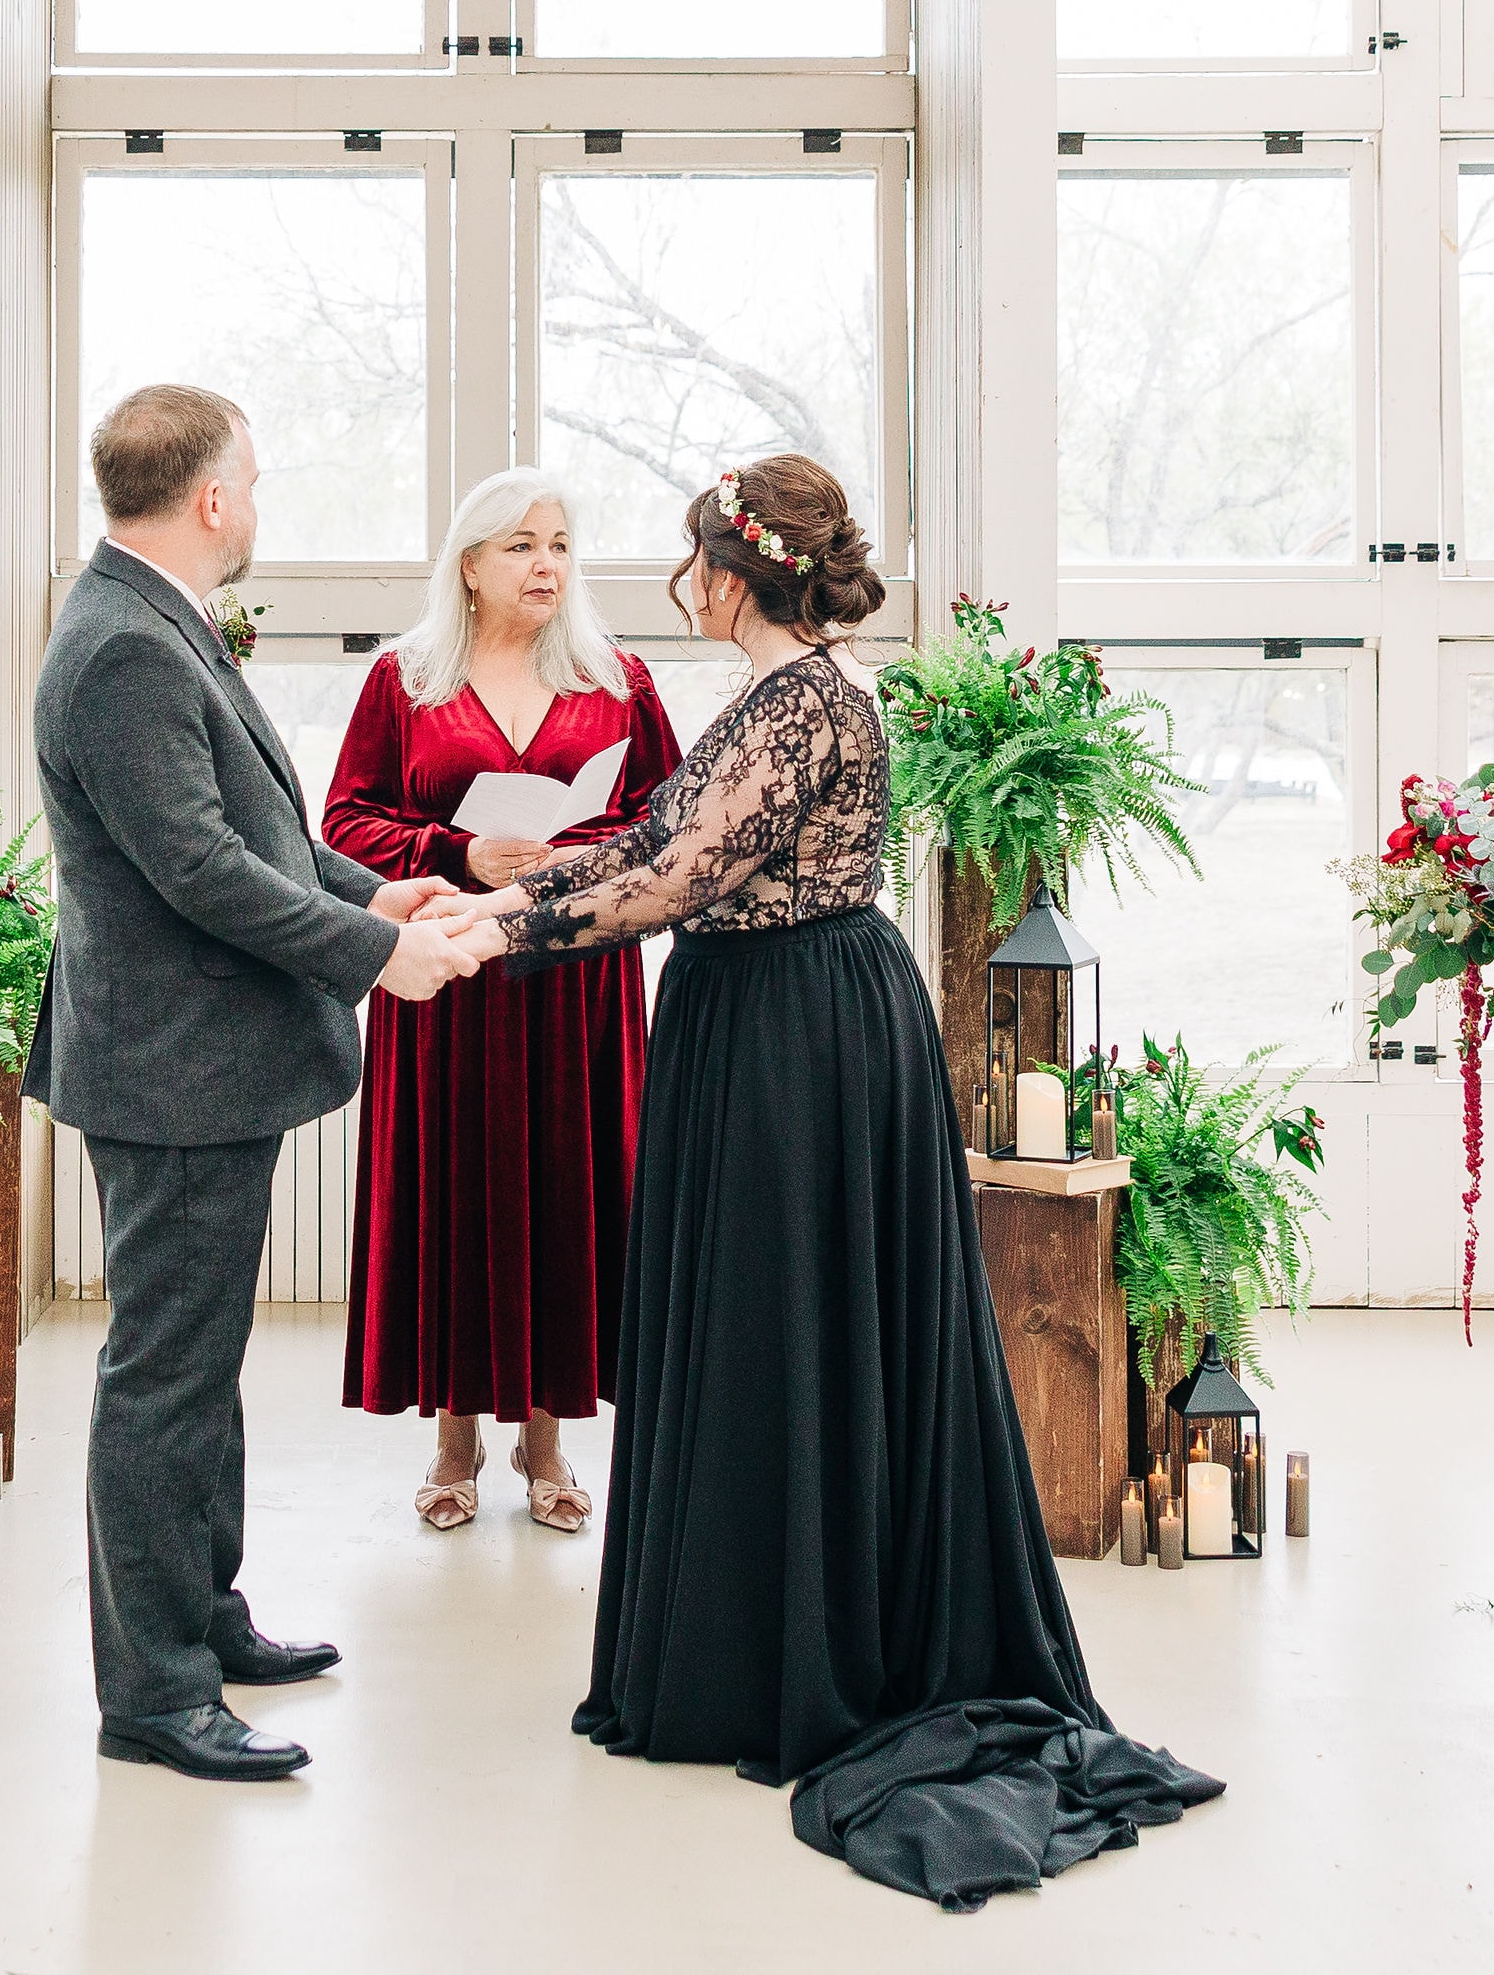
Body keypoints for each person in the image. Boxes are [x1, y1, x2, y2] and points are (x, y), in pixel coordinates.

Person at [421, 455, 1220, 1909]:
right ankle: (754, 1637)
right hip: (776, 1016)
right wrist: (504, 896)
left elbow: (671, 883)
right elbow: (654, 843)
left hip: (792, 1036)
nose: (685, 581)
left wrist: (493, 937)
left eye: (697, 560)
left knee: (781, 1328)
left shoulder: (803, 705)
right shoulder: (789, 692)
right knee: (766, 1332)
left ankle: (784, 1653)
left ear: (735, 578)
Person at [25, 383, 479, 1784]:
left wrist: (371, 891)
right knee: (164, 1378)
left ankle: (203, 1617)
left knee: (199, 1367)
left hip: (196, 1063)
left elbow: (252, 826)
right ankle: (155, 1693)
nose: (260, 504)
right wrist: (377, 957)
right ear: (212, 498)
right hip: (174, 1072)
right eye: (256, 482)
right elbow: (200, 871)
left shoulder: (148, 617)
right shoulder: (123, 646)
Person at [324, 469, 683, 1534]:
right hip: (447, 979)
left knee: (567, 1193)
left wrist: (570, 861)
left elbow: (669, 827)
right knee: (454, 1193)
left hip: (576, 989)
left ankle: (547, 1439)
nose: (546, 564)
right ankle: (454, 1438)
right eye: (522, 545)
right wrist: (459, 851)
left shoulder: (619, 680)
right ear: (471, 566)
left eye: (560, 544)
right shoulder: (404, 681)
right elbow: (345, 826)